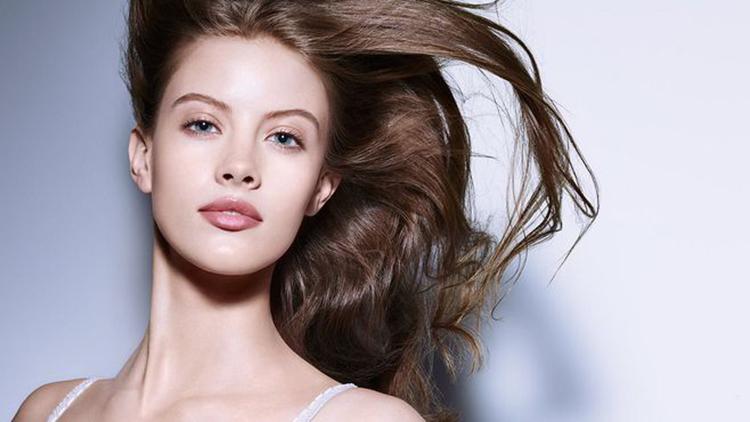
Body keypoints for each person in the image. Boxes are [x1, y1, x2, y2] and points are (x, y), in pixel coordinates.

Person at [12, 0, 599, 421]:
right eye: (203, 124)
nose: (239, 165)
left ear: (321, 187)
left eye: (284, 137)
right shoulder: (49, 411)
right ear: (144, 156)